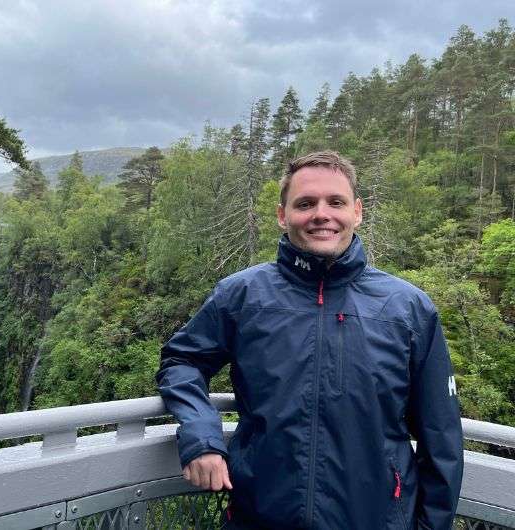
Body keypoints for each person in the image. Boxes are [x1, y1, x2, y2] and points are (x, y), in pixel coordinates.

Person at [156, 151, 463, 529]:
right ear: (283, 215)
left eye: (336, 202)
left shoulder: (408, 309)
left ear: (357, 211)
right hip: (259, 518)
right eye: (305, 203)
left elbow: (442, 440)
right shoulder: (242, 295)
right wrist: (202, 435)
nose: (322, 214)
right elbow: (182, 361)